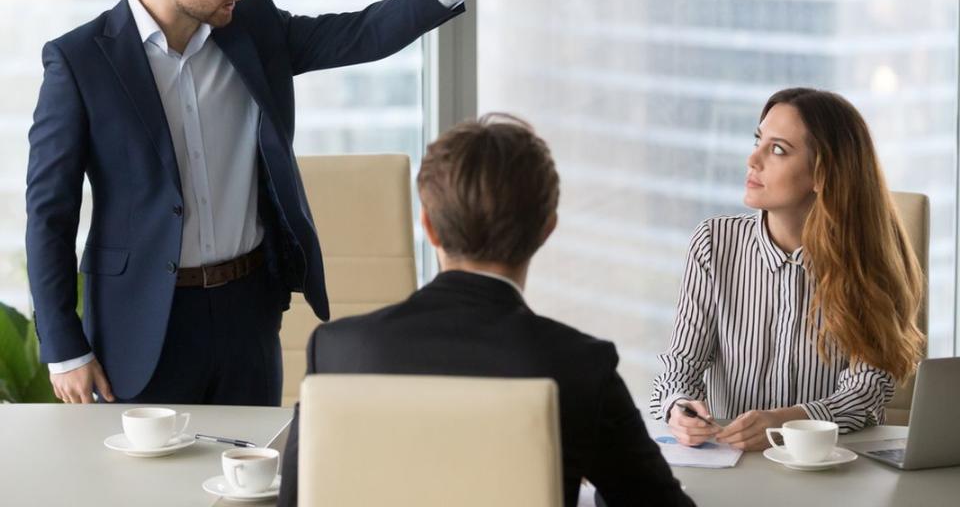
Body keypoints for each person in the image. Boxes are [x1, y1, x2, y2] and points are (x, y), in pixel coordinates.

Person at [25, 0, 526, 406]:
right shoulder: (80, 62)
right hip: (141, 322)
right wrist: (64, 348)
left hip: (247, 310)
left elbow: (360, 33)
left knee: (253, 479)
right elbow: (49, 213)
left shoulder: (251, 24)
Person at [277, 114, 693, 507]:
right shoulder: (580, 366)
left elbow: (296, 499)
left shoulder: (336, 350)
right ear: (547, 229)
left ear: (428, 226)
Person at [650, 87, 925, 451]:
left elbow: (865, 394)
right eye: (758, 140)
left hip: (831, 471)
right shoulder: (713, 243)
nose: (753, 159)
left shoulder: (868, 259)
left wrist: (786, 422)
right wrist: (679, 408)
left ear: (822, 174)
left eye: (778, 150)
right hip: (735, 469)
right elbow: (681, 364)